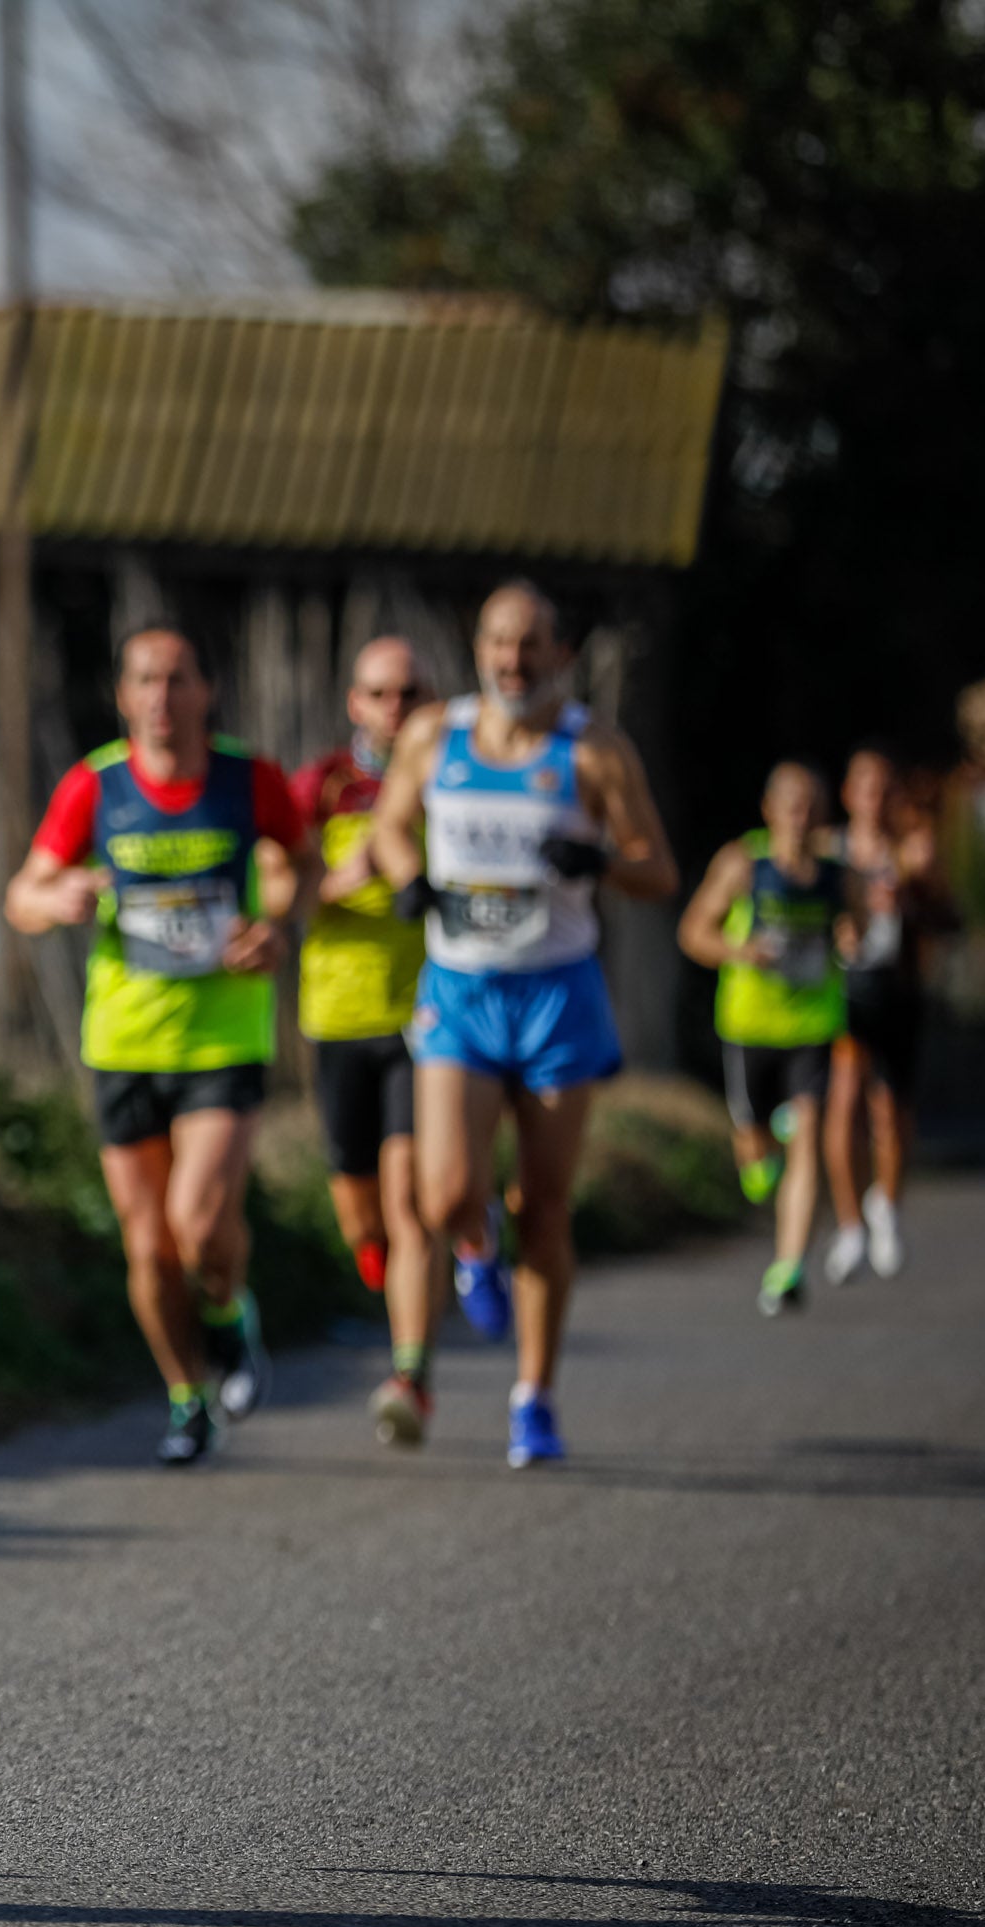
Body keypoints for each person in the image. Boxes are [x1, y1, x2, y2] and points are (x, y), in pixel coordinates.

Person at [371, 581, 677, 1469]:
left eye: (534, 645)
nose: (515, 661)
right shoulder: (436, 737)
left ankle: (533, 1398)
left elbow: (659, 869)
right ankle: (473, 1245)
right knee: (443, 1194)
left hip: (556, 993)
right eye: (501, 644)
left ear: (563, 656)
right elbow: (392, 828)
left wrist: (601, 861)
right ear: (479, 649)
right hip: (461, 992)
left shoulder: (595, 752)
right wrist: (407, 878)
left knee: (545, 1207)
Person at [7, 629, 302, 1468]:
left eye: (178, 680)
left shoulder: (251, 779)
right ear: (124, 694)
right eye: (145, 680)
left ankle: (228, 1314)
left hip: (222, 1035)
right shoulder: (94, 786)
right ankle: (185, 1396)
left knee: (200, 1223)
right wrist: (54, 894)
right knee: (148, 1247)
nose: (161, 698)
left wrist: (277, 926)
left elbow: (300, 861)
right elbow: (20, 895)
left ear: (207, 691)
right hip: (124, 1039)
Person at [292, 636, 443, 1444]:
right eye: (380, 695)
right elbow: (280, 885)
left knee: (410, 1204)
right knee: (362, 1218)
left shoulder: (450, 782)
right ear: (355, 703)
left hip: (424, 1020)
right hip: (338, 1018)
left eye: (410, 695)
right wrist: (339, 882)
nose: (395, 711)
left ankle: (410, 1375)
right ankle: (398, 1278)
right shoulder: (319, 787)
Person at [679, 763, 854, 1315]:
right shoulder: (743, 865)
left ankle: (788, 1267)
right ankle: (761, 1157)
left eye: (811, 809)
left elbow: (860, 926)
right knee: (756, 1163)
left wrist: (853, 934)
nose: (801, 820)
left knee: (808, 1136)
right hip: (750, 1024)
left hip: (812, 1025)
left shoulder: (835, 873)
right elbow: (693, 932)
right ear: (770, 810)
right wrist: (740, 951)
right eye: (792, 807)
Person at [823, 747, 945, 1280]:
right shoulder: (830, 848)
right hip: (845, 986)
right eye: (864, 788)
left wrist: (919, 886)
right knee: (844, 1101)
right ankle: (850, 1225)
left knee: (892, 1111)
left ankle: (886, 1206)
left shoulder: (913, 849)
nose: (874, 799)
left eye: (883, 788)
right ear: (849, 794)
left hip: (898, 986)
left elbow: (950, 915)